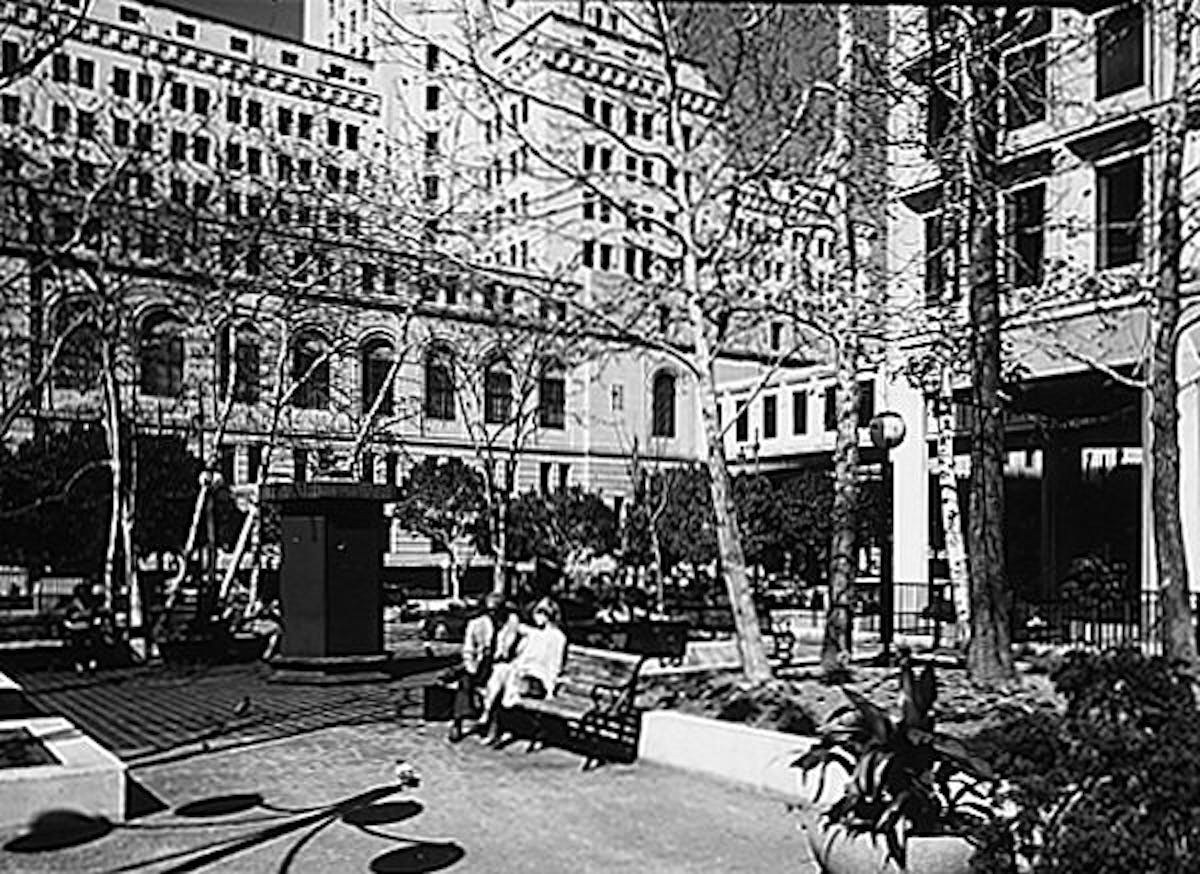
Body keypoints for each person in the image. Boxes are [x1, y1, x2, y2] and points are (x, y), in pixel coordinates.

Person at [485, 597, 567, 745]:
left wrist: (550, 689)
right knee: (501, 670)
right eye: (537, 613)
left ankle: (497, 718)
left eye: (542, 614)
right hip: (521, 677)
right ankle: (490, 713)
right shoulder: (534, 633)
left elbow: (555, 665)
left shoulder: (558, 637)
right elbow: (515, 627)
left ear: (550, 616)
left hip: (538, 682)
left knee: (509, 678)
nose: (537, 617)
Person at [449, 593, 511, 742]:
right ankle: (458, 720)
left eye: (497, 610)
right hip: (480, 663)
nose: (494, 614)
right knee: (465, 682)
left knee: (498, 686)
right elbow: (468, 650)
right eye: (490, 611)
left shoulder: (510, 624)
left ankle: (493, 726)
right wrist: (471, 667)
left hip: (501, 665)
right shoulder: (476, 624)